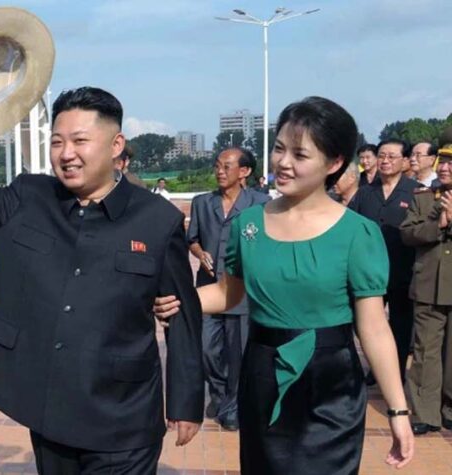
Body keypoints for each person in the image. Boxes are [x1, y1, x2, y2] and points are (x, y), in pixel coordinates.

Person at [0, 87, 203, 473]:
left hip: (123, 417)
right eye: (57, 142)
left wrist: (185, 402)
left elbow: (183, 316)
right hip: (51, 411)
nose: (66, 153)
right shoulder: (28, 198)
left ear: (115, 145)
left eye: (80, 141)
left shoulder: (157, 220)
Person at [154, 97, 414, 474]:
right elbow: (230, 293)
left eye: (300, 154)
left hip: (331, 385)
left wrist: (398, 411)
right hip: (262, 375)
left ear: (334, 162)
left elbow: (373, 327)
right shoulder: (248, 225)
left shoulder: (358, 232)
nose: (283, 162)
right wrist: (181, 300)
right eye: (279, 149)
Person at [187, 147, 269, 431]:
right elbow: (192, 239)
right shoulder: (202, 202)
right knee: (206, 349)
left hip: (241, 291)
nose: (220, 171)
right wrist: (200, 254)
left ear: (244, 171)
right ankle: (220, 395)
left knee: (238, 353)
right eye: (217, 166)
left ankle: (233, 406)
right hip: (209, 288)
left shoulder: (261, 204)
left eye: (227, 166)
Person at [349, 138, 421, 384]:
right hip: (369, 273)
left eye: (391, 156)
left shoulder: (417, 192)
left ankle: (395, 374)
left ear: (405, 161)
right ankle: (376, 368)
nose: (385, 161)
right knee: (364, 323)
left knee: (401, 325)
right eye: (381, 156)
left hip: (403, 271)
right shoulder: (365, 193)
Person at [400, 145, 452, 435]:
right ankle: (425, 412)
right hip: (428, 285)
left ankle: (449, 407)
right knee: (425, 351)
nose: (444, 168)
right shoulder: (422, 198)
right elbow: (407, 233)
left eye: (451, 163)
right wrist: (438, 223)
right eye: (442, 161)